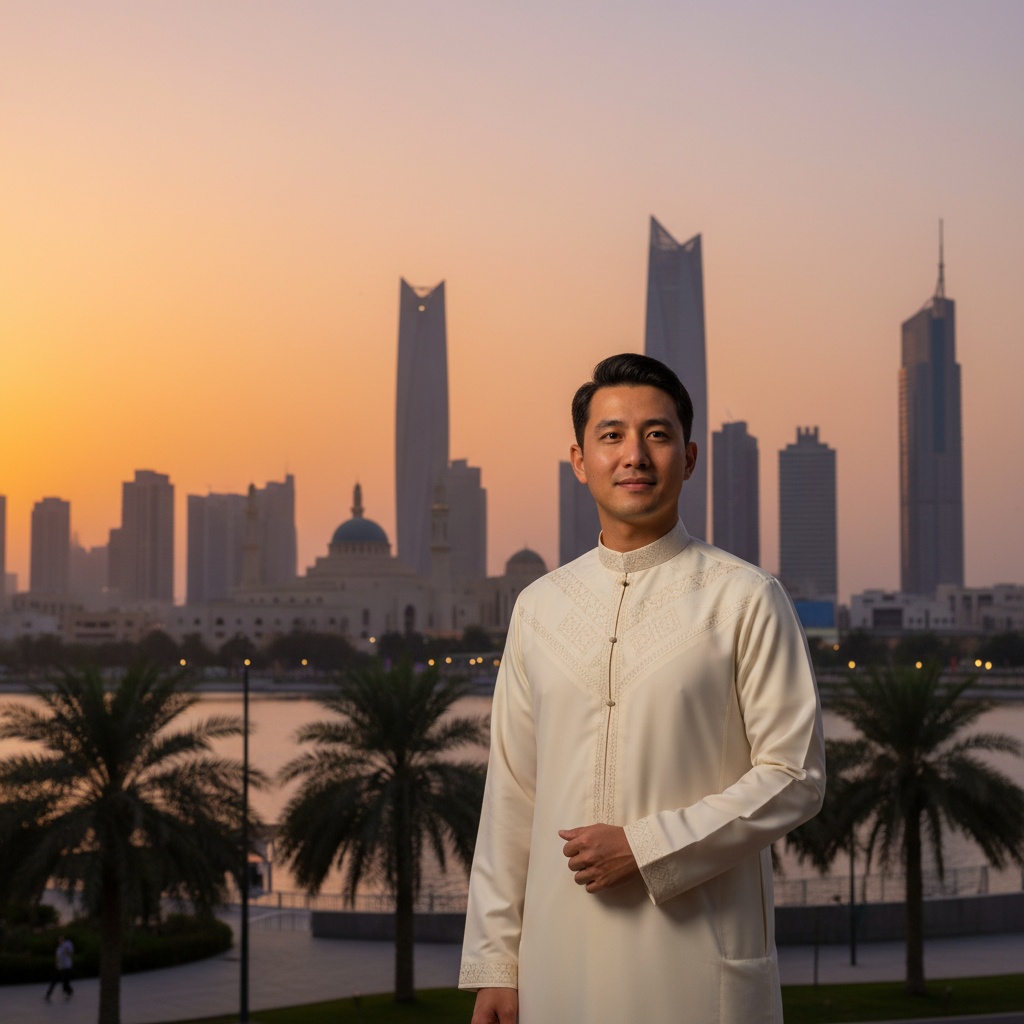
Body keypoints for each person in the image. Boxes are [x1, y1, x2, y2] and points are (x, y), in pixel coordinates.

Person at [459, 353, 825, 1023]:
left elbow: (794, 775)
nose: (635, 455)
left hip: (698, 960)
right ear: (580, 460)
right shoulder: (540, 608)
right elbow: (511, 794)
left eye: (657, 435)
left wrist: (647, 845)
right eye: (612, 435)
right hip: (555, 964)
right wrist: (495, 966)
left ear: (689, 459)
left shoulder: (744, 597)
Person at [44, 934, 74, 1001]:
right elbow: (57, 958)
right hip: (60, 967)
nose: (60, 940)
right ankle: (48, 994)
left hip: (67, 966)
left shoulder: (67, 945)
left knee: (64, 979)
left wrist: (67, 951)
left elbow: (70, 953)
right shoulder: (59, 949)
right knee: (54, 980)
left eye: (62, 939)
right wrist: (57, 965)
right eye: (59, 939)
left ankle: (68, 991)